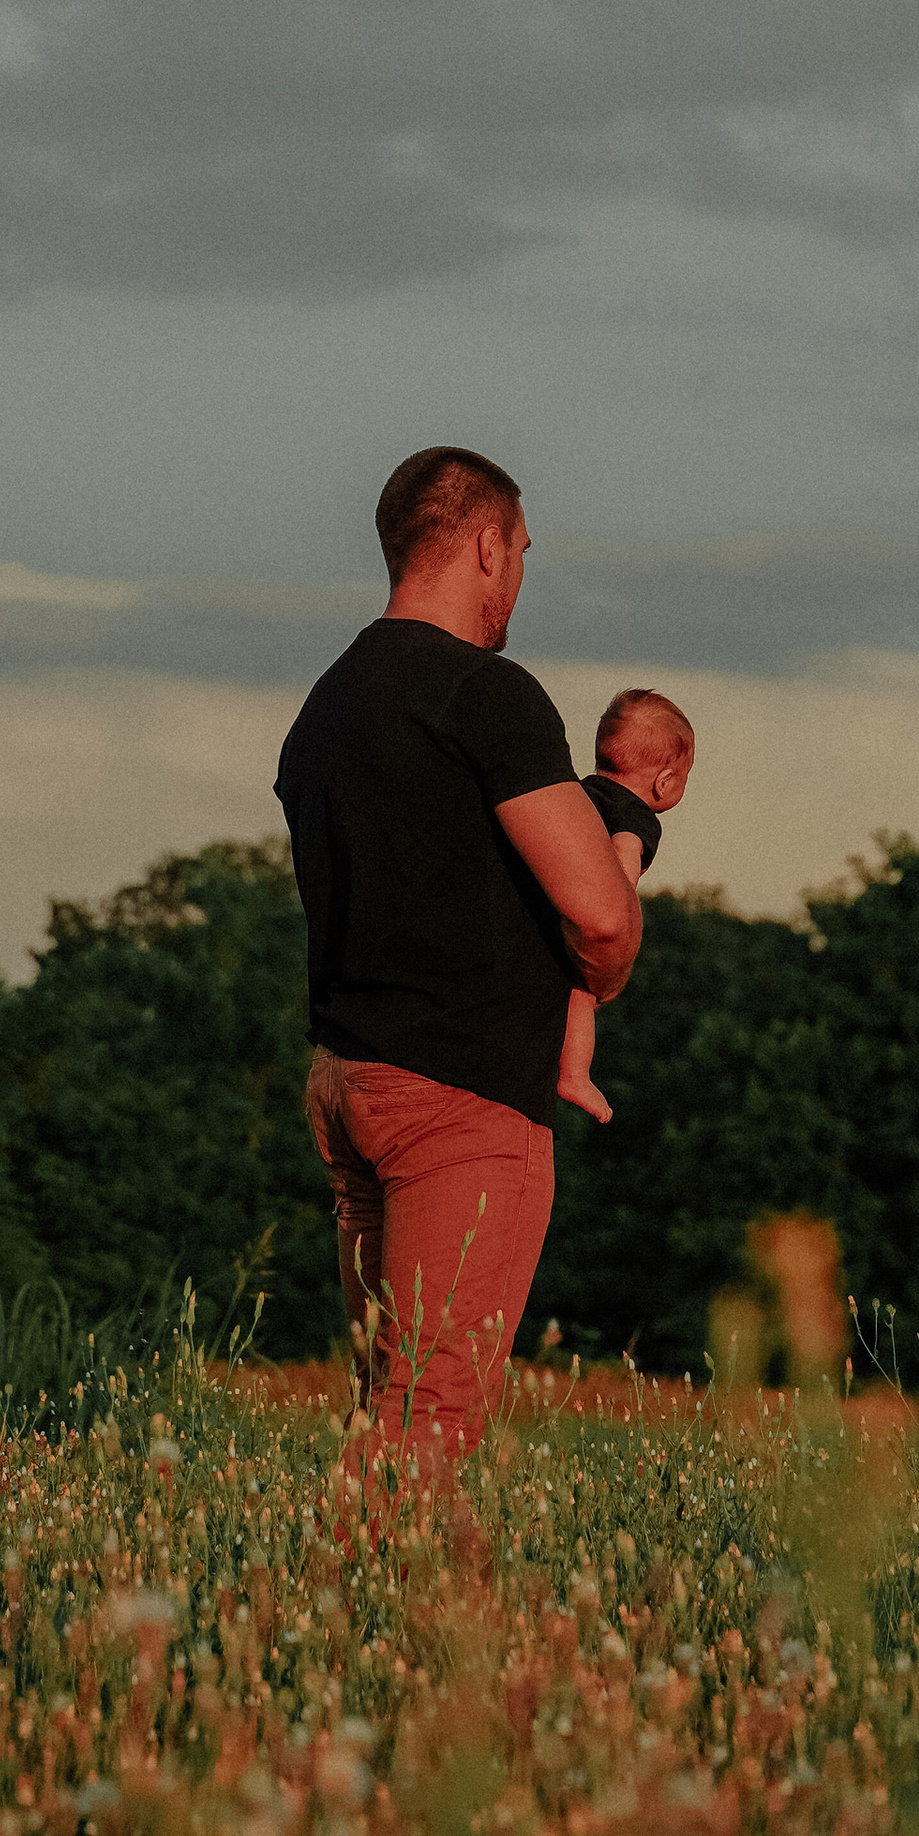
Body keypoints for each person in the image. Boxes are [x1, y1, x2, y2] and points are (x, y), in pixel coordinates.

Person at [275, 445, 643, 1455]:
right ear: (486, 546)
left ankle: (438, 1614)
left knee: (390, 1407)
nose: (518, 577)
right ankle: (335, 1613)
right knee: (426, 1427)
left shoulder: (327, 704)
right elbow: (600, 913)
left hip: (349, 1087)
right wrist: (602, 974)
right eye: (520, 551)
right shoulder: (485, 695)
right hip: (460, 1102)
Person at [556, 689, 695, 1123]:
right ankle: (575, 1075)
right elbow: (622, 862)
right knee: (580, 993)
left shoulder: (577, 793)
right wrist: (618, 905)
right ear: (665, 781)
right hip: (574, 910)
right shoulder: (635, 816)